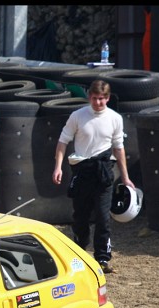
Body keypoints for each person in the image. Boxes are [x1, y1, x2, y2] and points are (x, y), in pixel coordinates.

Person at [52, 80, 135, 274]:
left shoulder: (115, 118)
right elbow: (63, 142)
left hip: (104, 170)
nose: (98, 103)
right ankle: (79, 253)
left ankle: (103, 259)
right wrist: (58, 167)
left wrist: (125, 177)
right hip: (82, 170)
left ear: (108, 98)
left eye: (102, 99)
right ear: (89, 97)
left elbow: (119, 147)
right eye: (95, 98)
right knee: (80, 217)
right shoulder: (77, 116)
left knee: (103, 217)